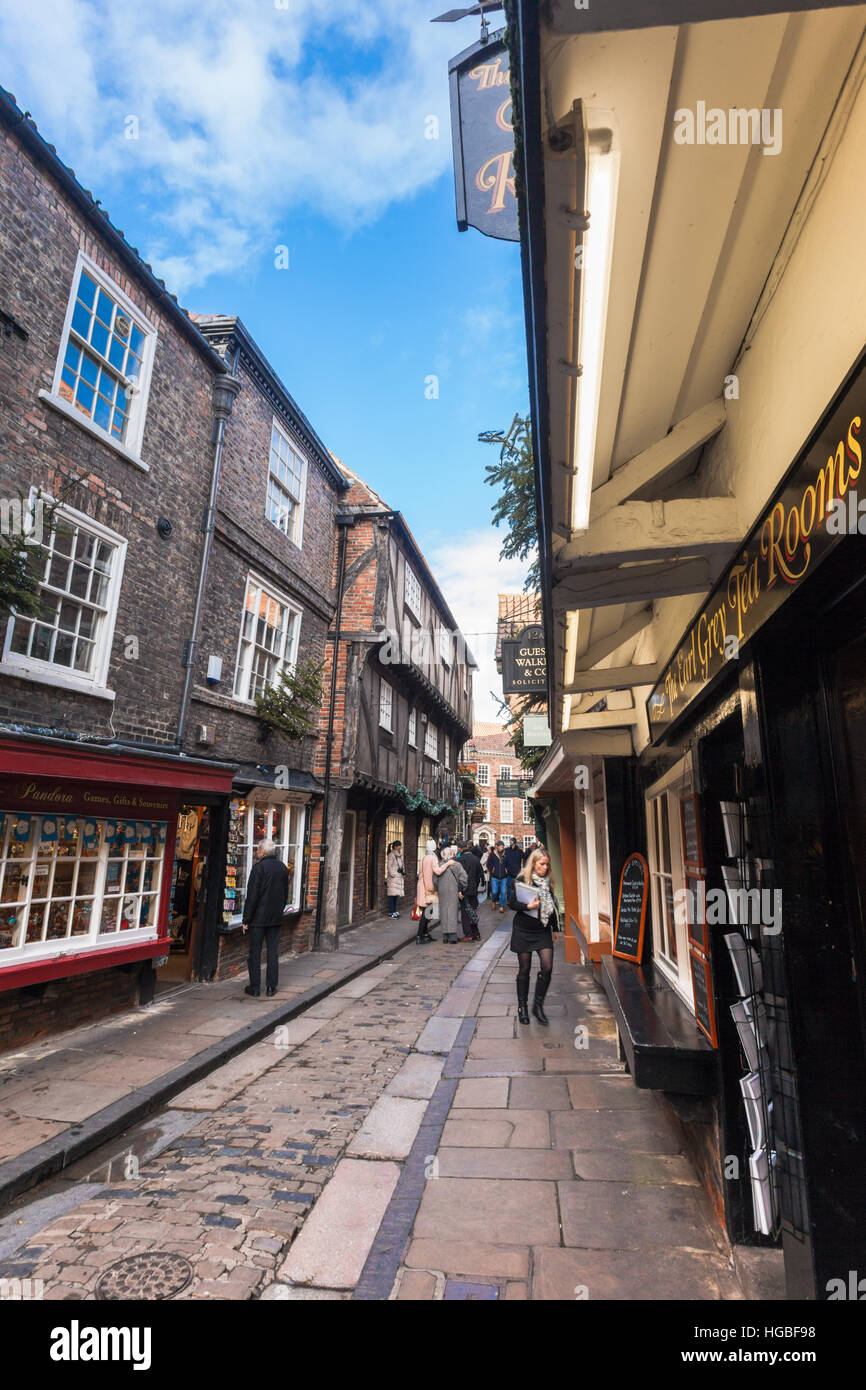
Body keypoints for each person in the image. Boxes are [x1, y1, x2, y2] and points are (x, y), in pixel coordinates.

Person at [511, 847, 559, 1025]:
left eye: (547, 864)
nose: (545, 868)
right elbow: (512, 903)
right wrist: (528, 907)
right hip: (523, 929)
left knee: (547, 967)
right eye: (542, 864)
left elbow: (552, 906)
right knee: (524, 969)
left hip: (542, 930)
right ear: (534, 863)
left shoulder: (547, 881)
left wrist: (555, 928)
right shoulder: (522, 879)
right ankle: (522, 1007)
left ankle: (538, 1006)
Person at [242, 839, 290, 998]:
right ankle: (271, 987)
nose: (256, 852)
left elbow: (252, 896)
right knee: (272, 952)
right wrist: (279, 910)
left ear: (262, 852)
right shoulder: (283, 868)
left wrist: (246, 919)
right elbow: (285, 894)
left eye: (258, 850)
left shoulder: (258, 869)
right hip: (275, 917)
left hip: (258, 919)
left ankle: (255, 988)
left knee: (254, 953)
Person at [433, 844, 468, 943]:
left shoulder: (439, 865)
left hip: (442, 891)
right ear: (452, 854)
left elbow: (434, 880)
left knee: (444, 912)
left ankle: (445, 935)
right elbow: (464, 878)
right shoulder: (457, 865)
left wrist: (437, 889)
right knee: (453, 912)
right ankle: (452, 936)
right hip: (453, 891)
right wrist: (462, 888)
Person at [415, 837, 440, 944]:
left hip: (421, 886)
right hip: (428, 889)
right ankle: (420, 936)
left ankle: (425, 934)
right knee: (426, 914)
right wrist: (448, 864)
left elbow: (421, 873)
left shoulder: (424, 858)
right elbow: (437, 872)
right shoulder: (433, 858)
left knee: (426, 912)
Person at [457, 840, 483, 941]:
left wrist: (459, 890)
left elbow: (460, 878)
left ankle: (468, 935)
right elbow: (480, 875)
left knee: (465, 913)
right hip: (473, 890)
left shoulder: (460, 860)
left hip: (464, 890)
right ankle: (476, 933)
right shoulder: (476, 859)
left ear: (460, 848)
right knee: (472, 912)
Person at [487, 841, 509, 913]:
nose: (501, 848)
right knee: (494, 891)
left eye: (502, 846)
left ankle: (502, 906)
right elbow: (488, 864)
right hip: (494, 877)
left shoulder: (506, 854)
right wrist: (492, 869)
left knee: (503, 892)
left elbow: (509, 863)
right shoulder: (492, 854)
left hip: (504, 877)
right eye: (500, 846)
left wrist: (507, 870)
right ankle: (493, 901)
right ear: (497, 846)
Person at [386, 840, 404, 918]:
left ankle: (393, 911)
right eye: (399, 846)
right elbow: (389, 867)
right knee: (391, 896)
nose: (400, 847)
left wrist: (403, 871)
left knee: (395, 895)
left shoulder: (400, 855)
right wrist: (394, 874)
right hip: (393, 879)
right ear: (396, 847)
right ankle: (392, 912)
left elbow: (402, 865)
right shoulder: (391, 855)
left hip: (399, 878)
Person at [504, 837, 523, 904]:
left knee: (516, 888)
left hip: (517, 872)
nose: (510, 842)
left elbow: (526, 857)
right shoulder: (506, 850)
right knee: (509, 887)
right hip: (509, 872)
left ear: (514, 842)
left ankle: (517, 900)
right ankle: (509, 900)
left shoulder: (519, 851)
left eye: (511, 841)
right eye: (510, 841)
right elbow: (503, 860)